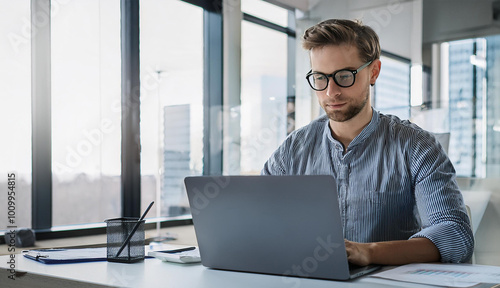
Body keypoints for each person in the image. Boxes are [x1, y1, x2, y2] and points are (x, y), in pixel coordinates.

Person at [261, 19, 474, 266]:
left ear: (373, 72)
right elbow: (258, 219)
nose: (331, 92)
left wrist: (368, 252)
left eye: (344, 76)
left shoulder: (417, 147)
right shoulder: (292, 151)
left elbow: (455, 235)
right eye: (320, 78)